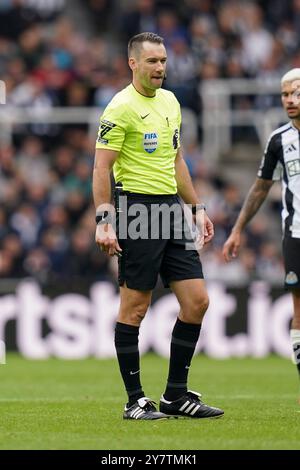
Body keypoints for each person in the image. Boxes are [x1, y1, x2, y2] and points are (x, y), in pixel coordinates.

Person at [93, 32, 224, 420]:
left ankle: (176, 396)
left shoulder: (170, 102)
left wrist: (196, 205)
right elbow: (101, 167)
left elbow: (177, 160)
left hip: (170, 210)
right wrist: (104, 219)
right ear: (133, 63)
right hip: (136, 209)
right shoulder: (119, 108)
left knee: (197, 301)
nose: (161, 68)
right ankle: (135, 400)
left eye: (163, 61)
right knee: (135, 309)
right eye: (152, 61)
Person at [223, 68, 300, 398]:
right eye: (285, 95)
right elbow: (259, 188)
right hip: (296, 235)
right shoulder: (279, 139)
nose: (290, 100)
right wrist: (237, 229)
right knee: (299, 310)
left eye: (296, 93)